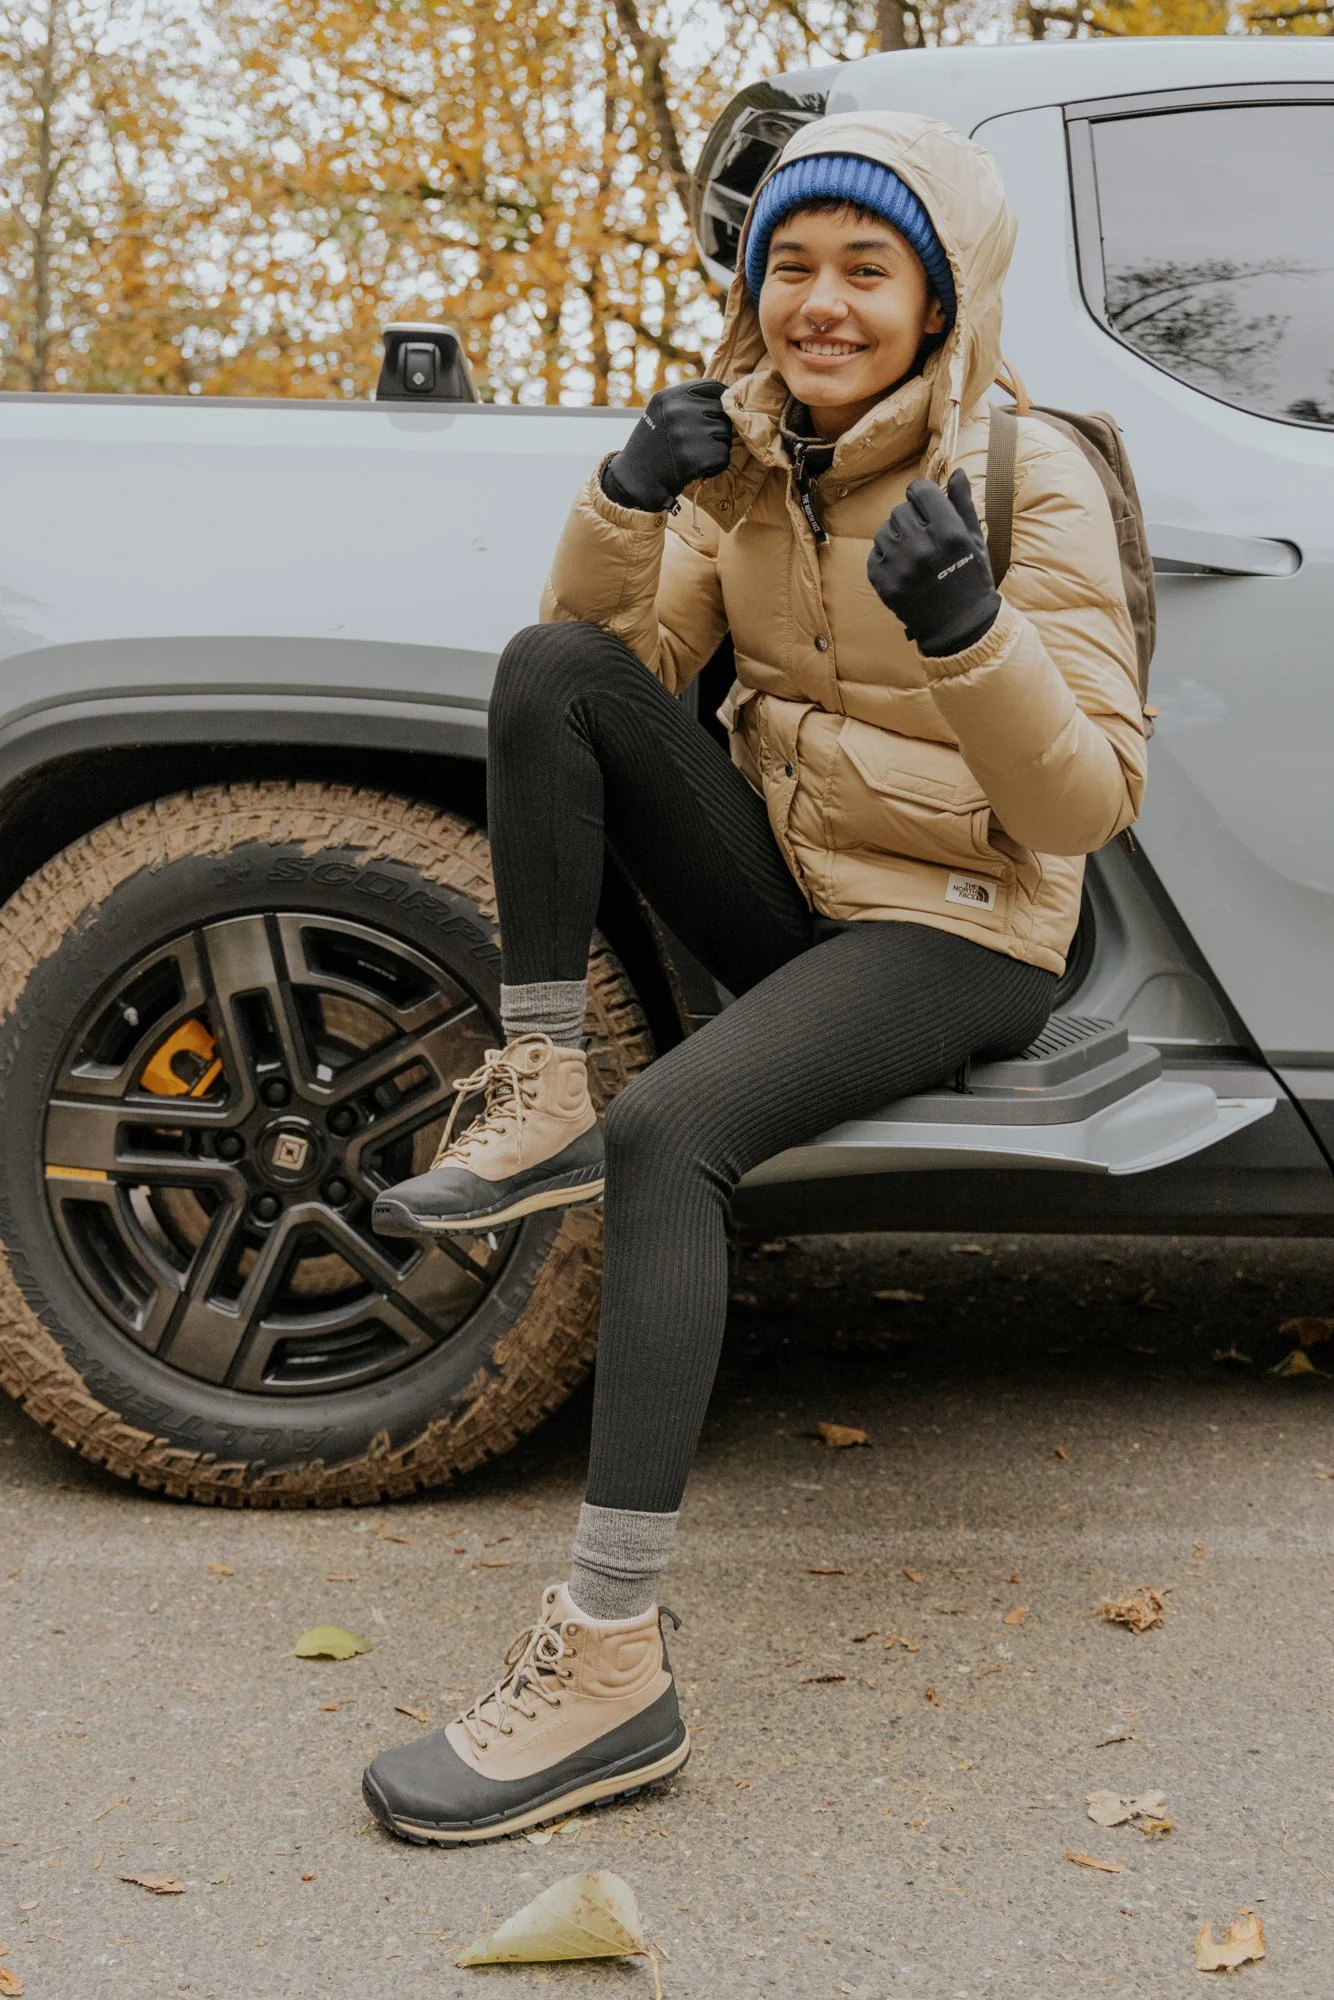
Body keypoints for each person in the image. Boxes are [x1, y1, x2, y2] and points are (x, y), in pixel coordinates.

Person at [361, 110, 1146, 1844]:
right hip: (798, 896)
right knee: (549, 663)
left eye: (867, 268)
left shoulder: (1027, 475)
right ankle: (537, 1078)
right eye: (789, 264)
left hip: (963, 925)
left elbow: (1083, 807)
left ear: (938, 301)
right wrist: (625, 499)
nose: (820, 301)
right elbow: (617, 684)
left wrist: (972, 633)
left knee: (668, 1138)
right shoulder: (750, 461)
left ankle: (607, 1670)